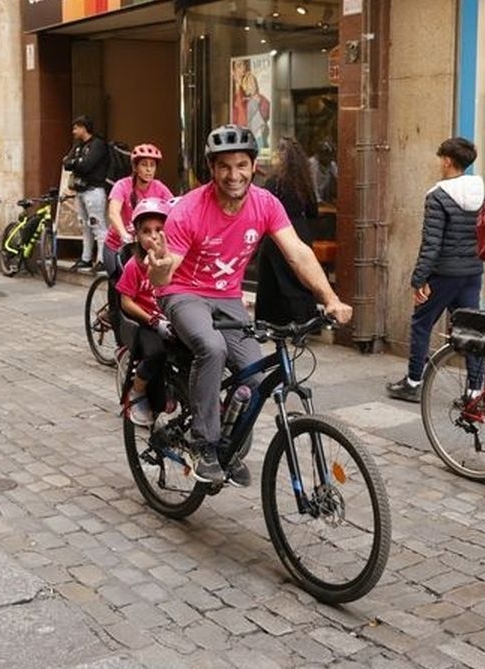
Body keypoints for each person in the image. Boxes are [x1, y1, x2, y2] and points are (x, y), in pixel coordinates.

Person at [147, 124, 353, 486]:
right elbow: (165, 274)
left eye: (241, 165)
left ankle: (227, 442)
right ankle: (204, 444)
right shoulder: (190, 209)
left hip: (227, 296)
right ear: (211, 169)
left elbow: (298, 253)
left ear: (254, 166)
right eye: (224, 167)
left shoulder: (265, 203)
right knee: (211, 347)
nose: (234, 175)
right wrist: (160, 270)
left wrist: (330, 298)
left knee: (257, 377)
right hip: (183, 291)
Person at [387, 137, 485, 403]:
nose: (439, 163)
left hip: (444, 273)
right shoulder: (480, 193)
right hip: (472, 272)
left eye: (440, 159)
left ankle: (413, 382)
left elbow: (431, 243)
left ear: (447, 161)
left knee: (422, 323)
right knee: (471, 329)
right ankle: (475, 391)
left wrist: (419, 279)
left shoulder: (438, 196)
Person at [105, 143, 173, 343]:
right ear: (135, 167)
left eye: (153, 165)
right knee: (119, 288)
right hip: (118, 244)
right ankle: (121, 338)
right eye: (144, 165)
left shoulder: (159, 187)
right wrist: (124, 234)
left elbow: (174, 207)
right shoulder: (122, 186)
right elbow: (113, 212)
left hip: (146, 243)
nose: (149, 169)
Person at [117, 198, 175, 427]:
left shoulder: (174, 261)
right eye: (146, 231)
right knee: (156, 353)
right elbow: (126, 302)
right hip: (144, 323)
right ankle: (137, 391)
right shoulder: (134, 266)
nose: (153, 236)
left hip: (170, 318)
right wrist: (152, 320)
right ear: (137, 236)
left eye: (159, 230)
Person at [257, 136, 320, 325]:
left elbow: (262, 208)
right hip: (300, 231)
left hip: (277, 235)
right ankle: (304, 320)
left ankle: (272, 322)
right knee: (301, 279)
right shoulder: (304, 182)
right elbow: (313, 210)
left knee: (273, 282)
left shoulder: (275, 182)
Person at [62, 115, 110, 271]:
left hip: (94, 191)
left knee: (98, 225)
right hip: (80, 191)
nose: (73, 131)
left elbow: (87, 165)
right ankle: (86, 258)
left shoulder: (98, 145)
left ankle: (102, 260)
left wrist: (75, 162)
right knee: (85, 226)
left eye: (76, 128)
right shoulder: (78, 146)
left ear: (84, 127)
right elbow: (66, 163)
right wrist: (77, 162)